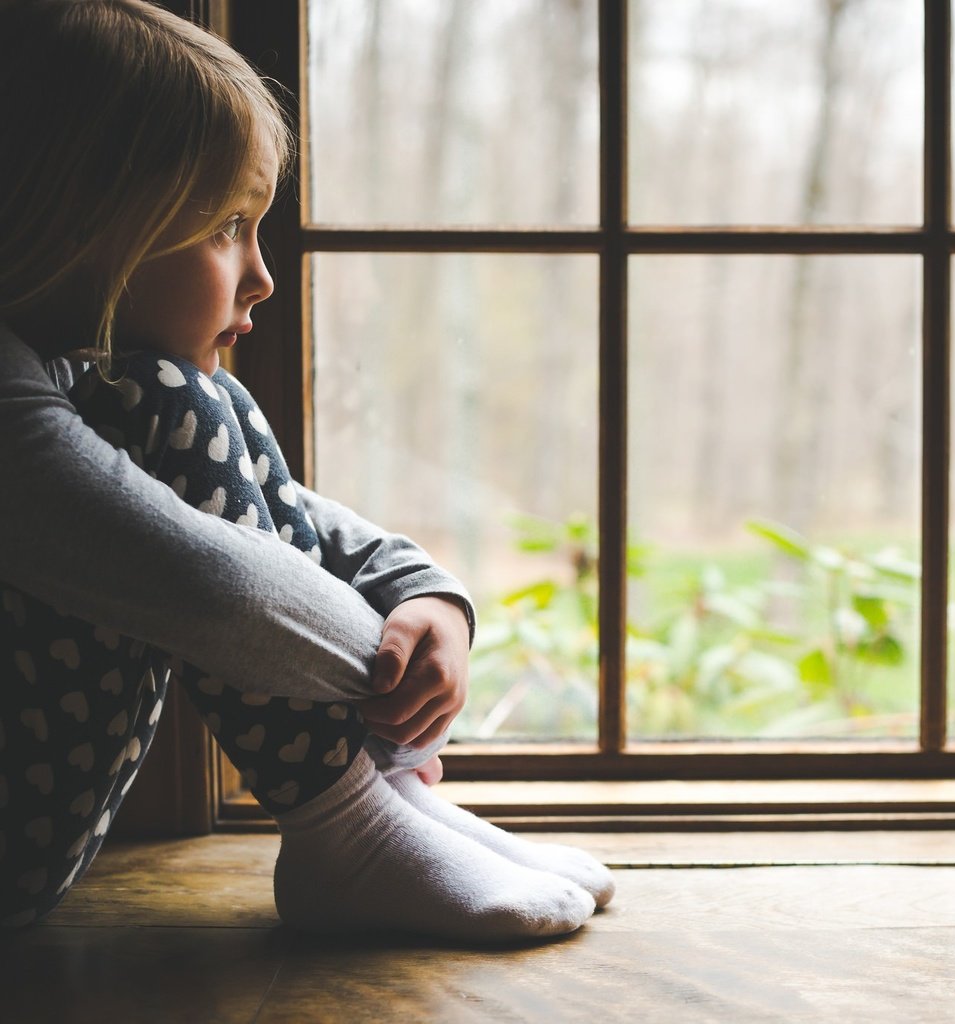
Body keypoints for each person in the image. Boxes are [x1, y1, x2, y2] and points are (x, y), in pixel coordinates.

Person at [0, 0, 612, 938]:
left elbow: (299, 528)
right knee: (179, 399)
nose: (263, 275)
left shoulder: (84, 376)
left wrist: (424, 597)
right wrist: (388, 691)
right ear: (90, 223)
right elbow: (211, 589)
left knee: (192, 401)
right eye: (227, 226)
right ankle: (350, 823)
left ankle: (381, 810)